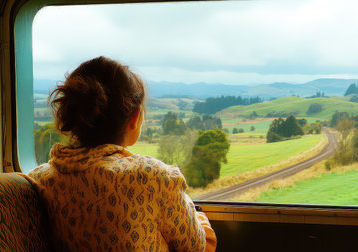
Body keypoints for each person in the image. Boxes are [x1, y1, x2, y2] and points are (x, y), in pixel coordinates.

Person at [26, 56, 217, 251]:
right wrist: (199, 217)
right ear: (135, 118)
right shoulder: (154, 177)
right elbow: (197, 247)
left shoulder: (39, 179)